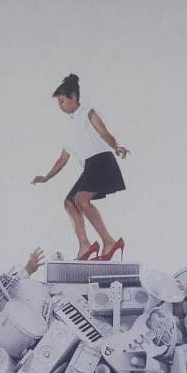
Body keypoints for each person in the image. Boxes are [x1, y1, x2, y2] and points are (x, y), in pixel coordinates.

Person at [31, 74, 129, 261]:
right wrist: (46, 177)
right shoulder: (69, 128)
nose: (60, 105)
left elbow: (103, 132)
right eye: (58, 102)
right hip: (90, 167)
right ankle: (85, 245)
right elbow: (63, 158)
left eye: (62, 101)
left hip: (102, 161)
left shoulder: (87, 113)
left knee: (81, 199)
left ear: (74, 97)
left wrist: (116, 147)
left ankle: (109, 242)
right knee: (69, 202)